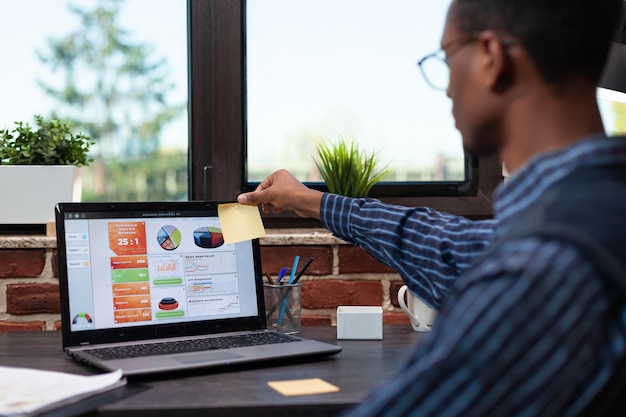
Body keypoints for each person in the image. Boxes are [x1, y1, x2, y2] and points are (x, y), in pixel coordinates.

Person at [238, 0, 626, 415]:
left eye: (447, 57)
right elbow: (450, 246)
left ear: (491, 58)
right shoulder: (590, 214)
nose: (446, 88)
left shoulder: (544, 269)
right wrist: (313, 201)